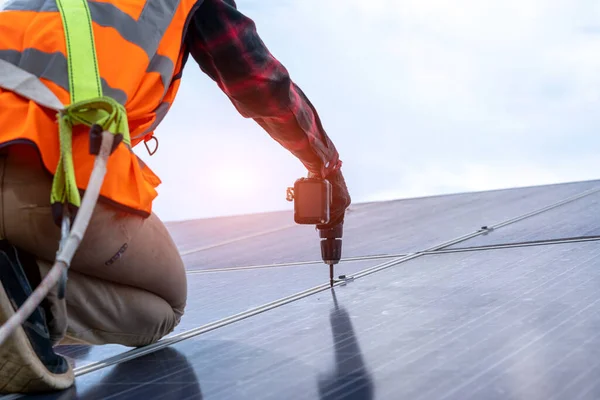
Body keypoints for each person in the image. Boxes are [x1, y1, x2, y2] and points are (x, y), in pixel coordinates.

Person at [0, 0, 351, 394]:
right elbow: (258, 82)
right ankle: (20, 296)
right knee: (163, 307)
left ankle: (14, 281)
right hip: (46, 155)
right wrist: (326, 165)